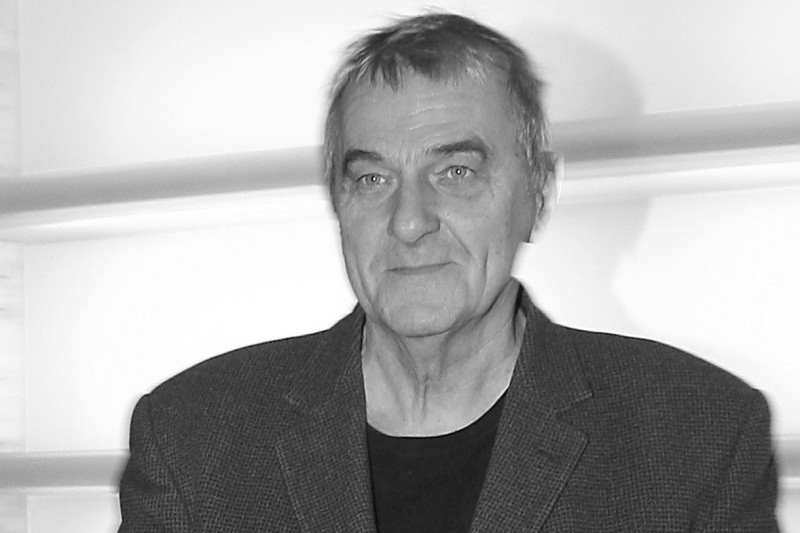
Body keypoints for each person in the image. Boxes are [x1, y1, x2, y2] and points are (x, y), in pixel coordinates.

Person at [118, 12, 779, 532]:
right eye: (372, 178)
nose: (409, 221)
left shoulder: (699, 439)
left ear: (538, 193)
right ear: (336, 203)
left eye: (456, 172)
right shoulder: (189, 441)